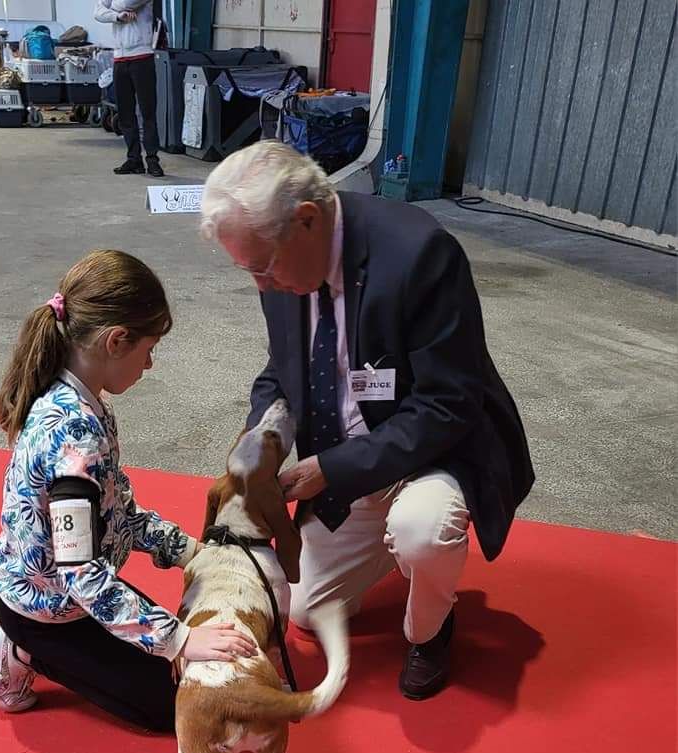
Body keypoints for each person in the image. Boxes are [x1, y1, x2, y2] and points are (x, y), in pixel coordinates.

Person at [200, 142, 535, 701]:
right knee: (308, 610)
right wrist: (260, 439)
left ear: (306, 220)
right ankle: (389, 543)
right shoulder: (287, 265)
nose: (260, 285)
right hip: (350, 458)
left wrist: (331, 469)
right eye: (246, 270)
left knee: (421, 532)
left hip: (436, 450)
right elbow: (282, 370)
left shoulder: (421, 253)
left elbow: (449, 404)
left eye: (261, 267)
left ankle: (430, 625)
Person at [0, 250, 255, 730]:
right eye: (148, 349)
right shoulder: (74, 439)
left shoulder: (86, 406)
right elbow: (82, 573)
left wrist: (191, 551)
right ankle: (15, 643)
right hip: (52, 605)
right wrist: (181, 640)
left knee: (177, 672)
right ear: (116, 341)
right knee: (171, 706)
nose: (149, 364)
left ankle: (17, 617)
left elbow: (118, 512)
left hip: (68, 586)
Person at [93, 0, 164, 178]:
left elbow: (129, 2)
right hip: (119, 58)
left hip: (142, 55)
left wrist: (114, 7)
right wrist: (117, 15)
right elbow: (97, 12)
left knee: (148, 111)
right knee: (125, 112)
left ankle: (152, 159)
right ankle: (134, 159)